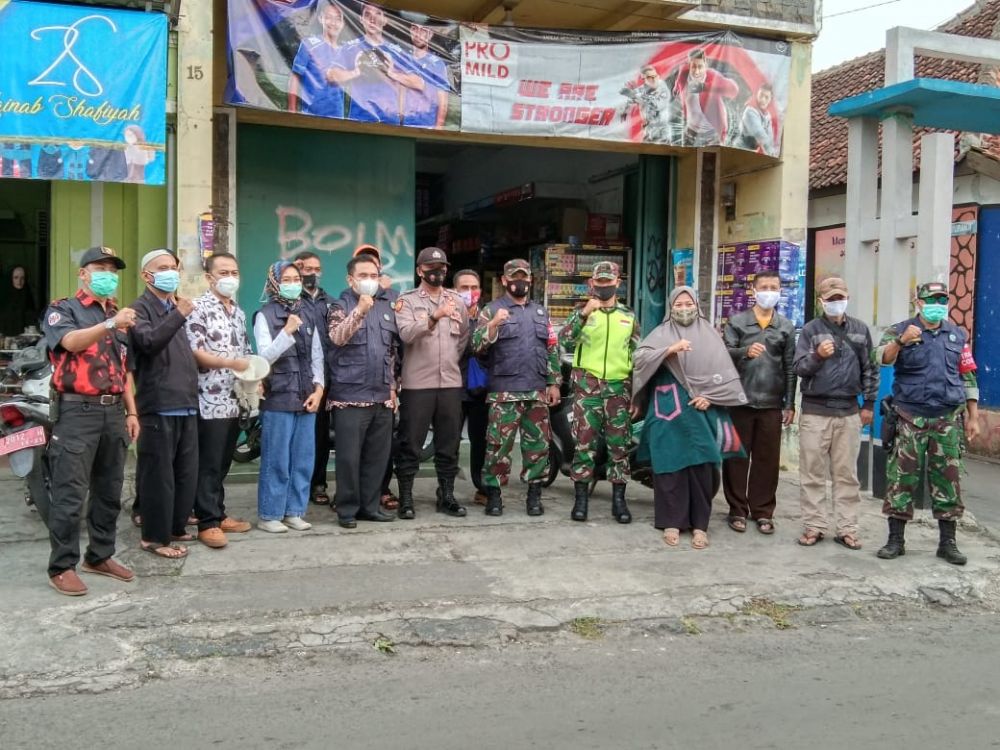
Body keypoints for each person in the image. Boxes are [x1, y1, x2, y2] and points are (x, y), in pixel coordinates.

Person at [40, 246, 140, 595]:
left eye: (112, 270)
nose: (107, 275)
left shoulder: (117, 314)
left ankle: (99, 555)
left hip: (113, 412)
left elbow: (123, 368)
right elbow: (69, 342)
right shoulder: (62, 309)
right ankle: (62, 565)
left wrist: (131, 410)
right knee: (70, 493)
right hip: (76, 412)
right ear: (83, 273)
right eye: (99, 268)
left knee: (109, 491)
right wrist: (111, 323)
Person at [875, 281, 982, 565]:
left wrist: (973, 416)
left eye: (942, 299)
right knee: (902, 479)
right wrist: (900, 342)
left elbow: (968, 375)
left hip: (947, 419)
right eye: (931, 299)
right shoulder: (900, 330)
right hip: (910, 417)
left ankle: (948, 543)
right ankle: (895, 540)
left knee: (948, 482)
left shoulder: (957, 335)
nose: (937, 304)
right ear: (918, 302)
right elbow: (881, 359)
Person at [632, 287, 748, 549]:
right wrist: (668, 350)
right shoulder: (661, 333)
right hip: (667, 409)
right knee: (669, 466)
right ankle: (672, 522)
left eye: (688, 303)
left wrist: (711, 396)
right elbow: (639, 359)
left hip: (701, 411)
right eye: (678, 304)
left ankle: (699, 526)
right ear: (671, 307)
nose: (684, 308)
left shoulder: (710, 335)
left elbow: (723, 372)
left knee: (701, 467)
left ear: (696, 304)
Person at [793, 276, 878, 551]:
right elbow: (799, 368)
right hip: (815, 412)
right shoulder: (810, 331)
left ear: (847, 298)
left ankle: (847, 529)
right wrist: (817, 355)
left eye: (839, 298)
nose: (835, 303)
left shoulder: (861, 330)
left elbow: (870, 369)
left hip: (849, 412)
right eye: (830, 299)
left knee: (846, 474)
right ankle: (814, 525)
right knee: (812, 473)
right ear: (821, 301)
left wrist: (869, 405)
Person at [473, 259, 561, 517]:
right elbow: (476, 346)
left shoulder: (540, 313)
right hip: (504, 392)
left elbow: (552, 348)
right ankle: (494, 495)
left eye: (524, 277)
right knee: (498, 447)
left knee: (538, 447)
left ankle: (534, 495)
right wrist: (493, 326)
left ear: (531, 280)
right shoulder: (492, 310)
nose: (519, 281)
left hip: (536, 391)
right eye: (514, 277)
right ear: (504, 280)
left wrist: (553, 382)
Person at [129, 249, 200, 556]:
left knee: (185, 472)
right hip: (158, 404)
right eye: (163, 268)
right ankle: (154, 538)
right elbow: (149, 342)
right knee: (158, 476)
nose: (171, 272)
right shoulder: (139, 310)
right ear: (147, 276)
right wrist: (180, 313)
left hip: (185, 402)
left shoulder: (173, 305)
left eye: (174, 267)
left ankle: (175, 526)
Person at [558, 261, 640, 523]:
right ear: (592, 284)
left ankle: (619, 500)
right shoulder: (581, 313)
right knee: (585, 444)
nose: (604, 286)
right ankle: (581, 499)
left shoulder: (628, 317)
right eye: (599, 282)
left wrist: (637, 393)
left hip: (618, 389)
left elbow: (638, 357)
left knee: (619, 445)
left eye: (609, 281)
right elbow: (564, 341)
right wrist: (583, 315)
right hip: (588, 389)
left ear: (618, 282)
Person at [393, 246, 469, 518]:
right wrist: (434, 317)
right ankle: (406, 498)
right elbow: (406, 333)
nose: (438, 273)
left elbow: (462, 339)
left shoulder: (456, 301)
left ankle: (446, 495)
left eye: (442, 268)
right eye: (431, 269)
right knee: (410, 443)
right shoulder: (407, 301)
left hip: (449, 383)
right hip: (417, 385)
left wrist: (449, 361)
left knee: (448, 443)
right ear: (419, 271)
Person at [185, 252, 254, 547]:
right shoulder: (197, 308)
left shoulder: (237, 312)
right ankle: (207, 522)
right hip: (208, 399)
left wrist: (253, 378)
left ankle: (218, 512)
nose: (230, 278)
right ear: (209, 277)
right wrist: (230, 364)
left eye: (235, 272)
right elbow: (195, 352)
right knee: (209, 462)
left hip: (234, 397)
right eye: (224, 272)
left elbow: (246, 351)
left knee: (224, 459)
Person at [722, 269, 797, 535]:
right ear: (753, 291)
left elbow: (790, 367)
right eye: (764, 286)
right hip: (740, 401)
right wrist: (744, 352)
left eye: (774, 287)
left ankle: (763, 511)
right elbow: (724, 354)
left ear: (779, 291)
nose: (769, 291)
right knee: (736, 458)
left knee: (767, 460)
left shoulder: (785, 326)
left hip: (772, 403)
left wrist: (789, 404)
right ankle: (737, 509)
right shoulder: (738, 322)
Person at [327, 255, 400, 527]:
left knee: (376, 457)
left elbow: (392, 352)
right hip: (349, 396)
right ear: (351, 279)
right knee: (348, 458)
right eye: (364, 275)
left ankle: (370, 507)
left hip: (381, 395)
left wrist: (393, 387)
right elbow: (336, 337)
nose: (370, 280)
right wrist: (359, 310)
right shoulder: (339, 305)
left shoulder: (387, 307)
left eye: (374, 275)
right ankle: (347, 509)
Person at [253, 261, 325, 533]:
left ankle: (294, 511)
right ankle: (269, 514)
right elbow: (263, 358)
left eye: (296, 278)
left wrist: (319, 389)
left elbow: (317, 355)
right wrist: (286, 332)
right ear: (274, 282)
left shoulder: (306, 312)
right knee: (277, 459)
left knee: (303, 458)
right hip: (279, 395)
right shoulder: (265, 314)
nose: (293, 283)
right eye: (287, 278)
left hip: (306, 395)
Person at [352, 243, 399, 510]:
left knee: (382, 448)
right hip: (354, 389)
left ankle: (380, 491)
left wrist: (394, 384)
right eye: (363, 265)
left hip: (384, 388)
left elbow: (396, 346)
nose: (369, 276)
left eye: (373, 267)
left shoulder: (393, 298)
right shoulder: (344, 300)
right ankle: (352, 497)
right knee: (353, 451)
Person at [294, 251, 336, 506]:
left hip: (328, 378)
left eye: (316, 268)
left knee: (321, 435)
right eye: (307, 268)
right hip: (299, 378)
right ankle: (297, 484)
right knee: (300, 436)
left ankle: (318, 483)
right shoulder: (291, 301)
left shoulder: (329, 302)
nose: (312, 273)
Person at [454, 268, 489, 505]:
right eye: (464, 288)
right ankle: (445, 489)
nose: (470, 292)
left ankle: (482, 487)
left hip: (481, 390)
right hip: (452, 388)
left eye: (473, 287)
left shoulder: (489, 317)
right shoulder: (447, 314)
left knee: (481, 441)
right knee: (449, 441)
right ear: (453, 291)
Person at [343, 3, 410, 124]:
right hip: (357, 117)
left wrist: (400, 114)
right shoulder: (350, 48)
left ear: (385, 20)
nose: (372, 20)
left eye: (378, 14)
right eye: (367, 14)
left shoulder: (396, 52)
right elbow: (335, 77)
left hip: (389, 119)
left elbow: (402, 86)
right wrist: (355, 72)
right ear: (361, 19)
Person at [288, 2, 351, 118]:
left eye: (338, 19)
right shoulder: (309, 44)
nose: (333, 23)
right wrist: (292, 111)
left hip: (337, 117)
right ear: (321, 19)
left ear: (343, 23)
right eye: (329, 17)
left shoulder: (345, 52)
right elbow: (295, 77)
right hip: (310, 115)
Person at [672, 48, 739, 147]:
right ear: (689, 65)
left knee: (709, 161)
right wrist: (676, 86)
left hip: (711, 134)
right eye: (693, 67)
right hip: (691, 131)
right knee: (686, 160)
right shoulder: (684, 74)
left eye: (700, 67)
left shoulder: (712, 76)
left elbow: (734, 89)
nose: (697, 71)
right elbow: (682, 74)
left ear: (705, 66)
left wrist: (704, 87)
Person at [399, 23, 450, 128]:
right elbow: (400, 91)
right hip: (404, 123)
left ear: (430, 34)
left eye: (423, 30)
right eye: (415, 29)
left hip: (427, 125)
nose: (418, 34)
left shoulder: (437, 64)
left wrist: (438, 127)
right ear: (410, 31)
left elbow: (443, 101)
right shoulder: (403, 59)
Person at [618, 64, 677, 144]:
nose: (654, 79)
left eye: (655, 76)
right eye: (650, 77)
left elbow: (655, 105)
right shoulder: (642, 89)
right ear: (644, 78)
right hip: (649, 130)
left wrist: (634, 96)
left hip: (662, 132)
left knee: (662, 153)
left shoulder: (663, 88)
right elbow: (630, 100)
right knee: (645, 153)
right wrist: (625, 110)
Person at [738, 83, 779, 156]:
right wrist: (772, 153)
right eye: (761, 95)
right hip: (740, 149)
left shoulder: (767, 115)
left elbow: (770, 137)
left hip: (753, 151)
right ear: (757, 95)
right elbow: (759, 133)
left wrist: (773, 150)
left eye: (766, 97)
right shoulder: (750, 111)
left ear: (770, 100)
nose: (763, 99)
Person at [1, 265, 38, 335]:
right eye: (16, 278)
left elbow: (32, 318)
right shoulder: (3, 297)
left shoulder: (28, 296)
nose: (19, 281)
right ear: (10, 278)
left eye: (22, 278)